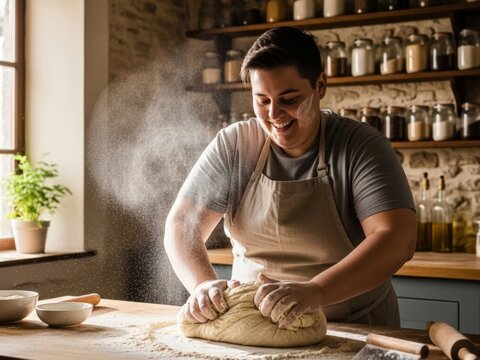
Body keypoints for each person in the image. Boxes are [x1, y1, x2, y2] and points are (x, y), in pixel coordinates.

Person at [164, 26, 416, 329]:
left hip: (352, 327)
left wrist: (316, 291)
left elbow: (396, 238)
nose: (275, 114)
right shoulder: (235, 145)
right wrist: (202, 285)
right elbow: (182, 223)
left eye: (289, 99)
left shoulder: (359, 146)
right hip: (251, 326)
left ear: (320, 86)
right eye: (262, 101)